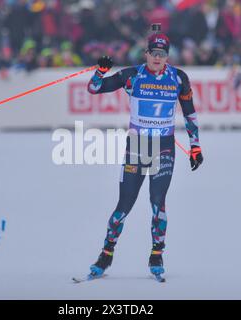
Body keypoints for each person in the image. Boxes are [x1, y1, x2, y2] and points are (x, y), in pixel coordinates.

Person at [86, 30, 203, 280]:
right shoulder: (132, 75)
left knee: (157, 203)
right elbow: (94, 89)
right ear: (146, 53)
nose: (158, 58)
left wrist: (195, 147)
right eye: (154, 53)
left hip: (164, 147)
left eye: (162, 54)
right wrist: (101, 71)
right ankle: (106, 254)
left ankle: (156, 254)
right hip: (137, 146)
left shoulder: (179, 78)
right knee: (123, 206)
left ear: (166, 56)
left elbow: (190, 114)